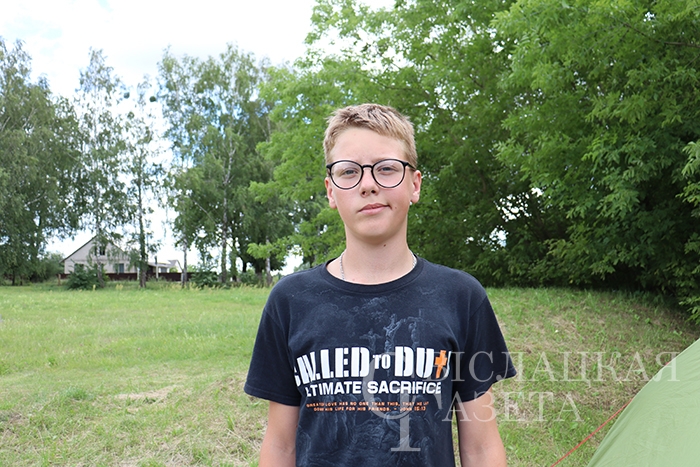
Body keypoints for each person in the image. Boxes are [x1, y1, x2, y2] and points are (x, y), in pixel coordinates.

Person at [244, 103, 516, 467]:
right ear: (330, 191)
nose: (368, 185)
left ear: (414, 184)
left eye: (386, 168)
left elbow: (481, 448)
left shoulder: (461, 297)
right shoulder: (290, 300)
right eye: (349, 171)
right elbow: (280, 446)